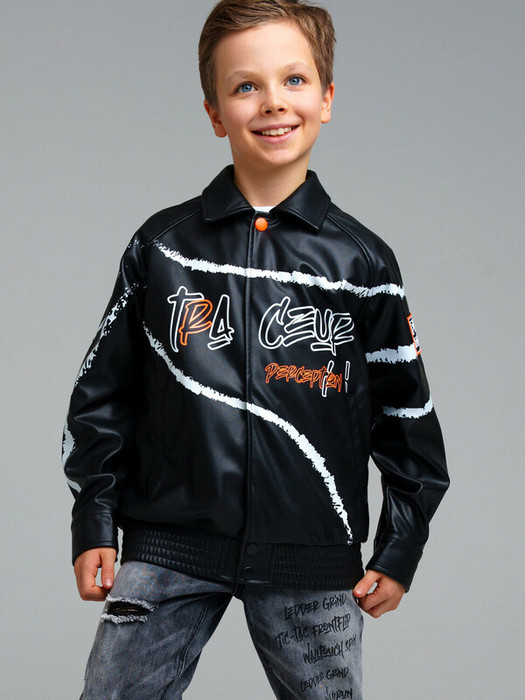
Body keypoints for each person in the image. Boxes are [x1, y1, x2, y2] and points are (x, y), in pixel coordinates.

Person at [62, 1, 449, 698]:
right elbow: (103, 396)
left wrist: (400, 546)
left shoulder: (362, 262)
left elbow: (407, 418)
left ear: (326, 98)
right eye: (246, 86)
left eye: (294, 80)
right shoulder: (162, 246)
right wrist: (94, 517)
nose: (273, 102)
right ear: (215, 113)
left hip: (313, 557)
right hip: (168, 544)